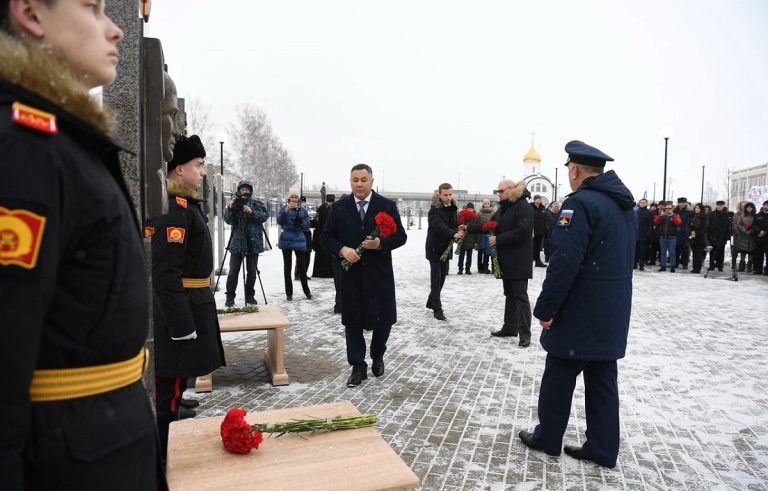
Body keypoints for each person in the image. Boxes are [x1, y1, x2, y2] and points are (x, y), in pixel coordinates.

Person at [0, 1, 165, 488]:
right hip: (68, 456)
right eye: (93, 8)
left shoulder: (61, 142)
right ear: (30, 13)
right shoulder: (23, 148)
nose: (114, 29)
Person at [519, 140, 636, 470]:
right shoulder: (624, 205)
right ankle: (602, 447)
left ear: (573, 170)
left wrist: (545, 308)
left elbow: (564, 262)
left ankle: (548, 436)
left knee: (559, 374)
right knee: (602, 378)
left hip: (579, 309)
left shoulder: (580, 204)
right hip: (611, 309)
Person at [152, 135, 226, 462]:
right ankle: (163, 456)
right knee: (169, 388)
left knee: (180, 381)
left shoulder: (185, 204)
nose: (203, 172)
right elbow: (166, 275)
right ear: (179, 169)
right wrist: (181, 326)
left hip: (193, 299)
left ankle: (169, 439)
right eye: (198, 165)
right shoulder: (174, 208)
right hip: (183, 308)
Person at [321, 164, 407, 387]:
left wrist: (380, 243)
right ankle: (358, 366)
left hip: (379, 275)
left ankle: (378, 354)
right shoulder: (339, 207)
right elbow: (326, 238)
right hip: (351, 276)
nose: (359, 184)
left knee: (383, 320)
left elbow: (401, 236)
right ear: (350, 181)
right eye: (355, 180)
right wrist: (342, 250)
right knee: (353, 322)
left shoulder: (386, 205)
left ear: (371, 180)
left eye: (363, 180)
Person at [468, 179, 533, 345]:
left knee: (520, 296)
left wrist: (499, 239)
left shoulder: (523, 206)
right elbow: (489, 224)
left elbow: (523, 231)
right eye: (497, 192)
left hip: (519, 260)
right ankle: (510, 328)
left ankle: (525, 334)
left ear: (512, 190)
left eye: (501, 191)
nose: (498, 194)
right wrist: (468, 228)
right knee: (509, 295)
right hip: (506, 259)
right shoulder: (504, 207)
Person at [223, 180, 269, 307]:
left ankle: (250, 296)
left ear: (250, 191)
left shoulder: (257, 203)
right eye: (242, 189)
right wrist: (231, 208)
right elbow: (227, 220)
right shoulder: (234, 204)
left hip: (253, 242)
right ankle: (230, 297)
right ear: (239, 191)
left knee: (252, 272)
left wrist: (251, 212)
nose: (244, 191)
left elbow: (265, 216)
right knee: (233, 272)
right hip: (237, 242)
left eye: (247, 189)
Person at [424, 183, 464, 320]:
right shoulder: (434, 210)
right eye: (445, 195)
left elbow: (453, 225)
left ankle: (431, 301)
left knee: (442, 278)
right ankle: (437, 308)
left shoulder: (453, 208)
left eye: (450, 194)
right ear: (439, 194)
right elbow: (438, 226)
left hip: (446, 249)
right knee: (436, 279)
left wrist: (459, 231)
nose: (448, 197)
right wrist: (453, 234)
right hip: (434, 249)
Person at [277, 187, 311, 301]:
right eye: (292, 197)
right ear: (289, 198)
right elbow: (279, 221)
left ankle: (307, 291)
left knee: (302, 267)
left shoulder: (303, 210)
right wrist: (286, 210)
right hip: (286, 238)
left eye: (296, 197)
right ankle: (289, 293)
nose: (294, 199)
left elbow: (307, 224)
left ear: (299, 199)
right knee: (287, 267)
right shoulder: (283, 208)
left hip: (299, 239)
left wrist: (301, 222)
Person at [311, 194, 335, 278]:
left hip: (331, 235)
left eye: (332, 201)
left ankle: (330, 272)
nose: (331, 203)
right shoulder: (321, 209)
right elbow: (316, 222)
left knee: (329, 255)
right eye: (329, 201)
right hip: (321, 234)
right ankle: (320, 272)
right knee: (321, 255)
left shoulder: (335, 208)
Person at [654, 204, 681, 272]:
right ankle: (663, 266)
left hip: (672, 237)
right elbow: (655, 222)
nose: (668, 210)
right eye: (667, 208)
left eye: (670, 208)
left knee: (672, 253)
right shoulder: (662, 216)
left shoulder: (676, 215)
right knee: (663, 252)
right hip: (663, 237)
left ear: (672, 209)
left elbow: (678, 222)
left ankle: (672, 266)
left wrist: (672, 215)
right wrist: (660, 215)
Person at [733, 201, 756, 273]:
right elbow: (738, 225)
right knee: (743, 252)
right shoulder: (741, 216)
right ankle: (741, 267)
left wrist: (751, 231)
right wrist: (745, 231)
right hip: (743, 237)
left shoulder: (755, 216)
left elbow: (756, 225)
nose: (749, 208)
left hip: (752, 237)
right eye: (748, 207)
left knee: (751, 252)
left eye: (750, 207)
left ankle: (749, 268)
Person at [708, 200, 730, 272]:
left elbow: (728, 227)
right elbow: (709, 224)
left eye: (721, 205)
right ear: (716, 205)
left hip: (722, 236)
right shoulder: (712, 214)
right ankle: (711, 265)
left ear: (724, 206)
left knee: (721, 252)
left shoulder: (727, 215)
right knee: (712, 251)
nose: (719, 206)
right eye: (718, 205)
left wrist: (727, 237)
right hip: (713, 235)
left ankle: (720, 265)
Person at [688, 203, 709, 274]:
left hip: (701, 237)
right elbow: (689, 225)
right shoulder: (693, 215)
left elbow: (704, 227)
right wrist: (691, 232)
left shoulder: (704, 216)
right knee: (694, 253)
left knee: (699, 253)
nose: (697, 209)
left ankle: (698, 268)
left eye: (698, 208)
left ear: (701, 209)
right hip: (693, 237)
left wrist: (696, 233)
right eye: (696, 208)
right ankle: (694, 268)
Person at [634, 198, 653, 271]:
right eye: (641, 202)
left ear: (646, 203)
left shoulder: (649, 213)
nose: (642, 204)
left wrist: (648, 234)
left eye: (644, 202)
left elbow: (650, 225)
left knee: (642, 251)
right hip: (636, 234)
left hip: (644, 235)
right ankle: (634, 264)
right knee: (635, 251)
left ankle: (641, 265)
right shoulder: (636, 211)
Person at [674, 197, 691, 269]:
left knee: (685, 249)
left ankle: (685, 263)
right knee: (676, 248)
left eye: (684, 202)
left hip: (685, 232)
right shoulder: (675, 211)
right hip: (676, 232)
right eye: (680, 202)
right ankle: (676, 263)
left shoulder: (689, 212)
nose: (682, 204)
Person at [531, 194, 547, 267]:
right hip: (532, 231)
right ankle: (529, 261)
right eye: (537, 198)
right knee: (532, 246)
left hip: (540, 231)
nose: (538, 200)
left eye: (539, 198)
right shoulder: (530, 207)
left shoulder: (543, 208)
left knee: (538, 247)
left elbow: (545, 219)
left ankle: (538, 261)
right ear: (534, 200)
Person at [753, 201, 768, 275]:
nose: (766, 206)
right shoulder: (757, 215)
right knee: (758, 254)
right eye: (765, 205)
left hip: (767, 237)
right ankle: (758, 270)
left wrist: (764, 232)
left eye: (767, 205)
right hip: (759, 237)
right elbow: (754, 225)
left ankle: (767, 270)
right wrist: (759, 231)